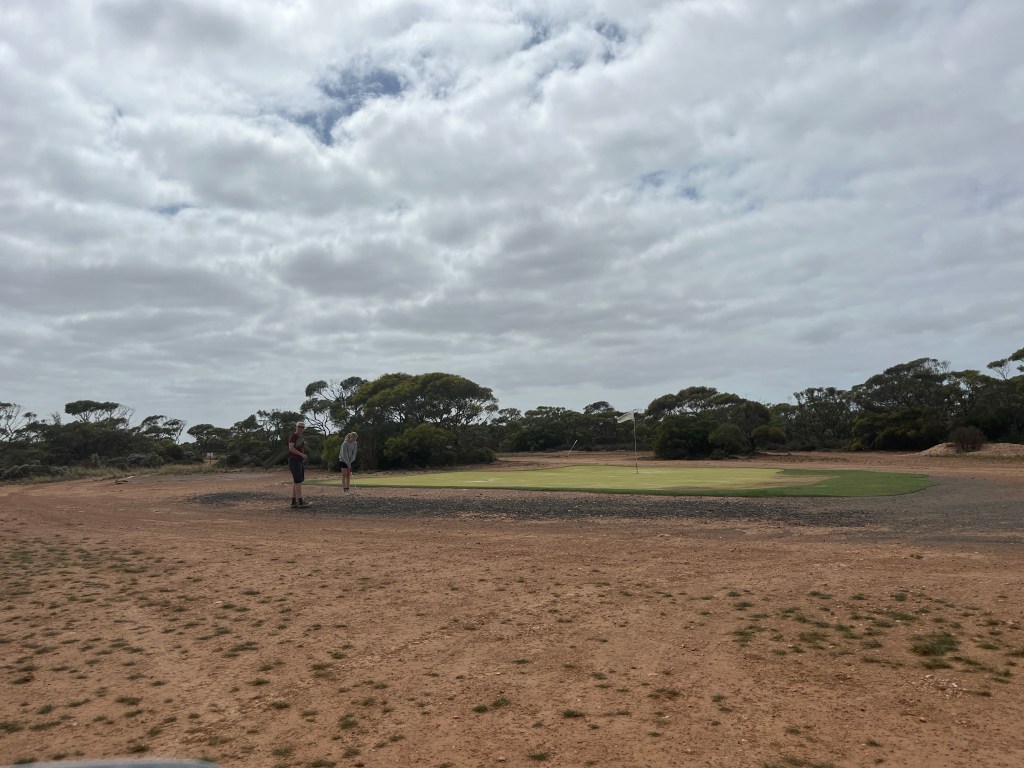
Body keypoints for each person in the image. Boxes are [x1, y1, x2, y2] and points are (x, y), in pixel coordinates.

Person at [288, 421, 310, 508]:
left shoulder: (299, 437)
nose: (300, 428)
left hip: (298, 460)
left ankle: (293, 502)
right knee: (298, 481)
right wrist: (302, 455)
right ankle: (301, 502)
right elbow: (291, 448)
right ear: (296, 427)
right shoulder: (293, 436)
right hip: (294, 460)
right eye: (299, 426)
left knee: (296, 481)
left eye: (302, 427)